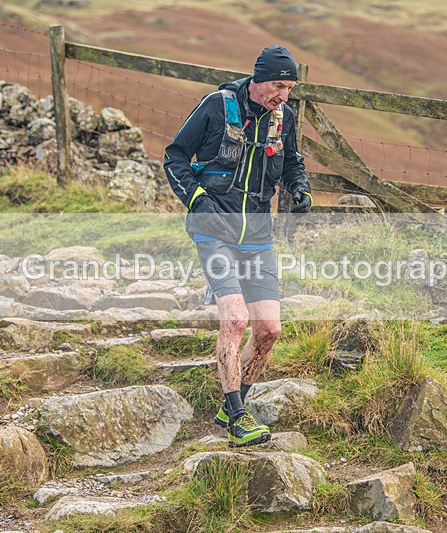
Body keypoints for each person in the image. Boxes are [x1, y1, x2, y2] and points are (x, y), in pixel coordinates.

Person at [163, 45, 312, 447]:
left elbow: (293, 161)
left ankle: (233, 403)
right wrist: (197, 200)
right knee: (235, 320)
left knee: (269, 329)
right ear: (259, 79)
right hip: (214, 231)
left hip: (257, 237)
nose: (284, 95)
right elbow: (174, 157)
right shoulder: (217, 105)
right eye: (279, 86)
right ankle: (239, 419)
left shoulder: (285, 118)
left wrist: (300, 188)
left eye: (290, 88)